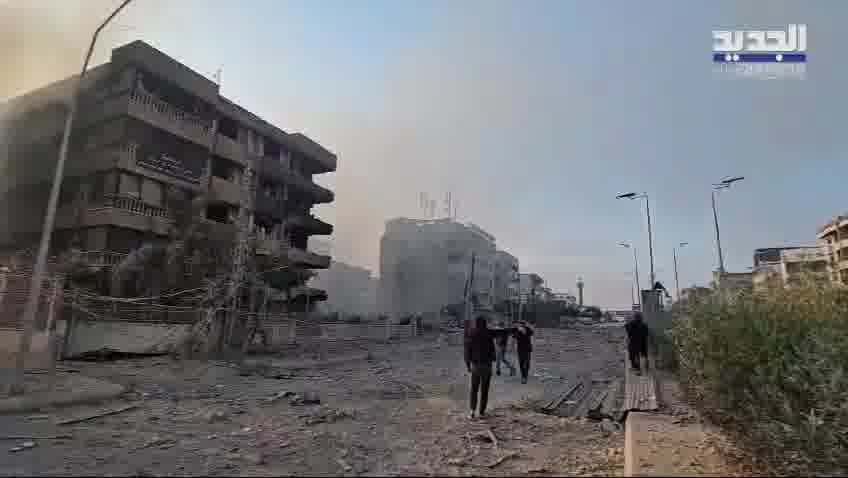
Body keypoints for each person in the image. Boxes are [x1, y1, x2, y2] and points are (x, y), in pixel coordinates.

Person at [464, 315, 501, 419]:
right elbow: (502, 332)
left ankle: (472, 412)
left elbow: (467, 351)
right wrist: (516, 328)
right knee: (485, 390)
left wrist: (468, 365)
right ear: (485, 323)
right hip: (487, 366)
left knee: (474, 389)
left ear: (476, 323)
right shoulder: (489, 333)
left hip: (476, 366)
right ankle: (482, 412)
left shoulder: (471, 334)